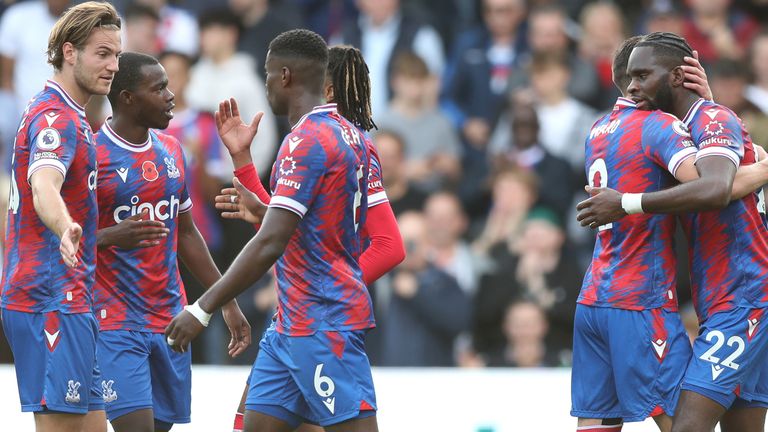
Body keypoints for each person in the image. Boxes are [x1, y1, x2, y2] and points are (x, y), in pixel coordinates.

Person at [165, 29, 382, 431]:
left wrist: (203, 307)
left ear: (285, 76)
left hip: (322, 322)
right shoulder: (353, 137)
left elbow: (271, 241)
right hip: (291, 325)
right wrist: (244, 161)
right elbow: (309, 227)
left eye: (266, 75)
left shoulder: (306, 141)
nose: (264, 85)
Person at [577, 32, 768, 432]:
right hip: (717, 297)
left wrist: (628, 201)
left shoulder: (708, 120)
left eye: (644, 75)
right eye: (630, 77)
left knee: (686, 428)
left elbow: (715, 188)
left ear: (678, 76)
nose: (633, 86)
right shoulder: (686, 125)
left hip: (746, 299)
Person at [214, 44, 405, 432]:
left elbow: (388, 245)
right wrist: (244, 163)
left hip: (320, 315)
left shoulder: (345, 146)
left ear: (326, 89)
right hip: (295, 314)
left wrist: (326, 288)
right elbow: (290, 233)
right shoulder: (320, 144)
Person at [92, 52, 251, 432]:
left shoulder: (171, 151)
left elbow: (187, 233)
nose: (171, 95)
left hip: (171, 320)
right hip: (114, 322)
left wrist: (225, 301)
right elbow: (62, 239)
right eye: (158, 88)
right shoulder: (91, 155)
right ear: (128, 97)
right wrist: (110, 236)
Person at [0, 3, 121, 432]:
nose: (113, 66)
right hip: (47, 295)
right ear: (69, 52)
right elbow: (44, 186)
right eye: (102, 54)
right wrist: (64, 226)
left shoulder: (72, 114)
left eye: (117, 55)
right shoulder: (56, 117)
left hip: (71, 296)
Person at [570, 35, 696, 432]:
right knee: (685, 423)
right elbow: (708, 186)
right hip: (640, 298)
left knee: (596, 421)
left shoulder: (597, 128)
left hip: (592, 298)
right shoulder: (658, 126)